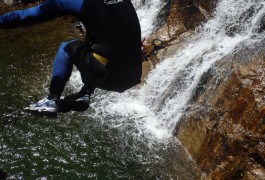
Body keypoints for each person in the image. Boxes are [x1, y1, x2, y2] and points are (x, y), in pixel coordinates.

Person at [0, 0, 142, 116]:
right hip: (133, 74)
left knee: (67, 47)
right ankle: (84, 93)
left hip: (107, 74)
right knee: (96, 43)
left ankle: (51, 99)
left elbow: (25, 16)